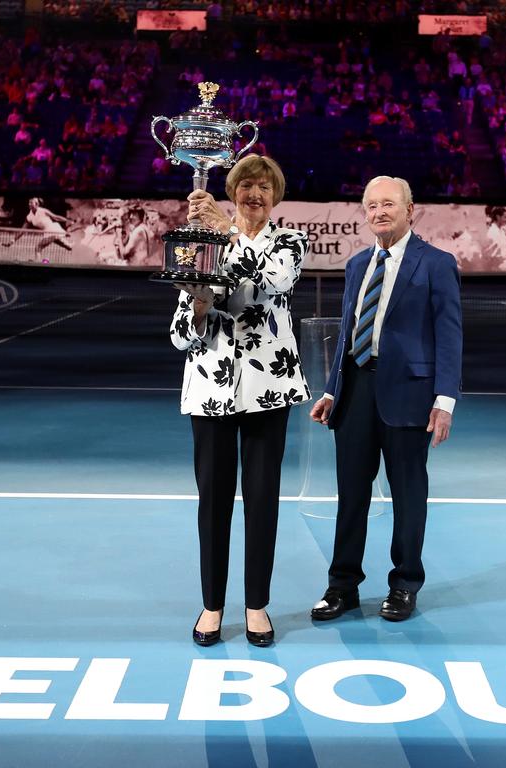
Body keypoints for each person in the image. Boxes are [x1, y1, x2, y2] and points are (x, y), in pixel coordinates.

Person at [169, 154, 310, 647]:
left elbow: (272, 281)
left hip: (267, 390)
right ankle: (212, 606)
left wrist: (227, 230)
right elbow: (180, 335)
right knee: (213, 503)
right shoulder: (203, 243)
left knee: (262, 501)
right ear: (231, 191)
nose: (254, 194)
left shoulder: (289, 243)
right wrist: (201, 306)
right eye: (245, 185)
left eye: (263, 188)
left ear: (275, 198)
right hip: (209, 388)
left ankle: (257, 606)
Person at [308, 176, 462, 623]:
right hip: (355, 392)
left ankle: (405, 585)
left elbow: (450, 336)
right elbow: (347, 335)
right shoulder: (357, 265)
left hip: (411, 397)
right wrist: (333, 389)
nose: (379, 211)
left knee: (408, 495)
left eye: (389, 204)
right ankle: (342, 587)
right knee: (350, 495)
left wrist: (445, 400)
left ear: (410, 210)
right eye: (372, 205)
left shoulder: (436, 264)